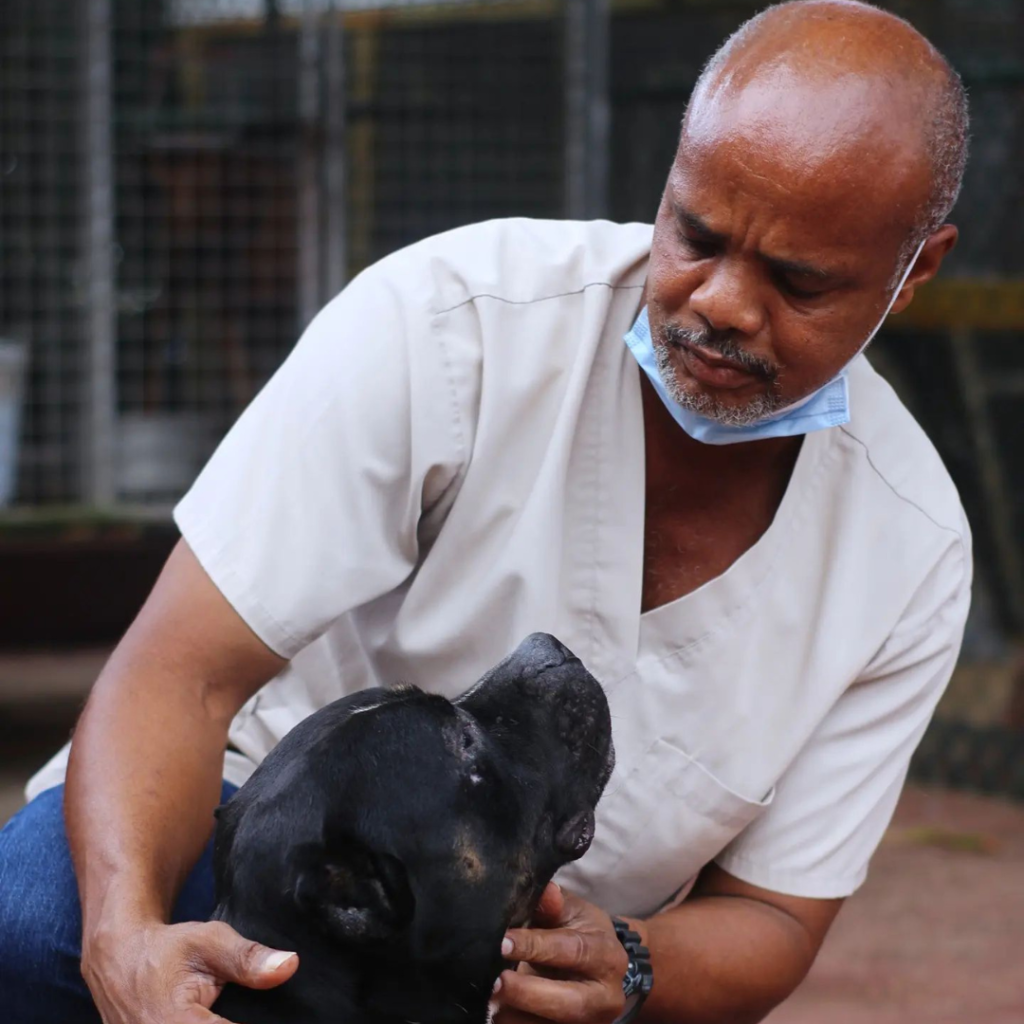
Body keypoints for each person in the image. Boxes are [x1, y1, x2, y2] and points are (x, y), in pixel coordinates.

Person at [0, 2, 973, 1022]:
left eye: (797, 280)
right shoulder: (449, 325)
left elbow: (772, 915)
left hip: (524, 968)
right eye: (696, 233)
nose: (721, 301)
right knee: (36, 927)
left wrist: (631, 966)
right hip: (247, 836)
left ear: (917, 270)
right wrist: (126, 938)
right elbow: (179, 673)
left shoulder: (906, 549)